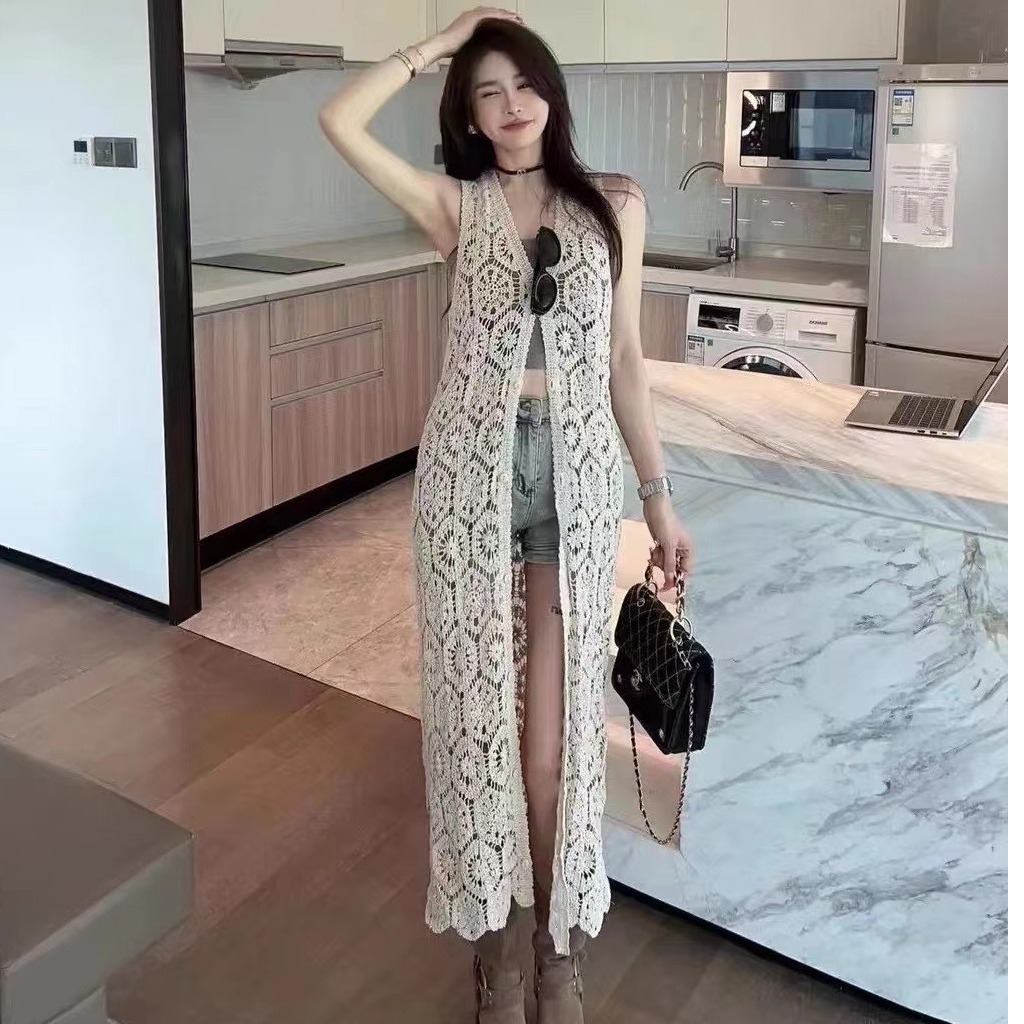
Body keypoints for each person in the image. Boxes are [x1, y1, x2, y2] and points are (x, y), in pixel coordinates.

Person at [319, 8, 693, 1022]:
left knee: (550, 744)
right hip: (466, 485)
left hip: (574, 481)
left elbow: (624, 361)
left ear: (551, 95)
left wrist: (658, 499)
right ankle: (495, 955)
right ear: (469, 114)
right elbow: (338, 120)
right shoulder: (455, 205)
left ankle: (555, 948)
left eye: (524, 83)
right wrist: (442, 39)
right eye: (486, 91)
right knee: (472, 725)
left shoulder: (614, 205)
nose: (511, 104)